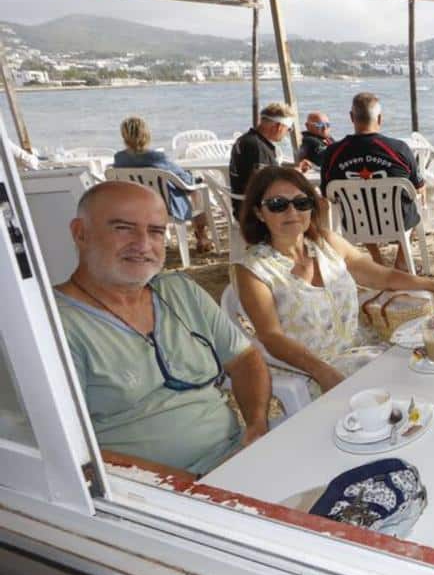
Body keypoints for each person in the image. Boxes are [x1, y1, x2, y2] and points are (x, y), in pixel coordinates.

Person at [54, 182, 271, 477]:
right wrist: (189, 486)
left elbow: (244, 360)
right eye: (123, 228)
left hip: (234, 458)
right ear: (81, 233)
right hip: (153, 496)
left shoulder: (180, 291)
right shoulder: (55, 326)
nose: (143, 244)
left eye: (156, 231)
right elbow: (67, 451)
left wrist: (256, 425)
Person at [235, 166, 434, 395]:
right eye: (278, 205)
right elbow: (271, 336)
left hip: (365, 350)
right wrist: (321, 371)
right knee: (421, 380)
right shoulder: (254, 270)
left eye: (301, 203)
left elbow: (382, 276)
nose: (292, 212)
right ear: (259, 213)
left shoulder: (326, 244)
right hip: (312, 372)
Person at [318, 92, 423, 269]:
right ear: (380, 118)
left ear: (352, 117)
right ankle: (401, 263)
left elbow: (327, 193)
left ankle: (376, 259)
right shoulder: (399, 149)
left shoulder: (333, 152)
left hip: (356, 223)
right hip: (398, 221)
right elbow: (418, 187)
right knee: (416, 201)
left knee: (358, 207)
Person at [112, 116, 213, 253]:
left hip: (135, 207)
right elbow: (185, 180)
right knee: (196, 190)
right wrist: (194, 180)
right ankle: (202, 237)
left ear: (124, 136)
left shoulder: (119, 159)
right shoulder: (156, 157)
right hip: (164, 207)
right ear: (146, 134)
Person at [230, 102, 295, 219]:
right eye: (288, 129)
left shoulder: (246, 139)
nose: (287, 133)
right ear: (279, 126)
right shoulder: (258, 147)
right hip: (255, 213)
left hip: (242, 205)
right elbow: (264, 186)